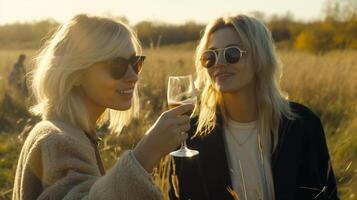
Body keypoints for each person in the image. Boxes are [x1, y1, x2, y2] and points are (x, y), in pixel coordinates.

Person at [12, 14, 193, 200]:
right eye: (117, 66)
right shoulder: (58, 140)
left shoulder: (72, 132)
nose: (134, 77)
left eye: (135, 63)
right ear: (76, 74)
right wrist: (146, 154)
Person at [169, 14, 339, 200]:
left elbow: (326, 195)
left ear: (260, 57)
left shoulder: (302, 124)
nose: (218, 63)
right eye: (209, 56)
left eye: (231, 53)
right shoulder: (191, 137)